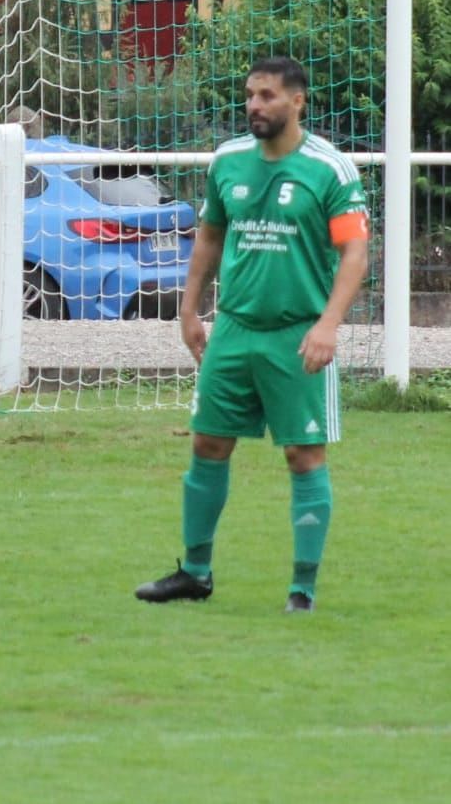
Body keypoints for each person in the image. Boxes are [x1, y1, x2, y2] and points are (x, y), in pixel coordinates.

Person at [135, 56, 369, 613]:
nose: (254, 106)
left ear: (297, 102)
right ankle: (195, 573)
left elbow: (355, 253)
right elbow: (209, 238)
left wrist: (328, 326)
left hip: (296, 335)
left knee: (303, 456)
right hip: (234, 330)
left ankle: (303, 589)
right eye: (249, 95)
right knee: (208, 444)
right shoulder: (229, 162)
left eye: (266, 95)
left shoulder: (329, 170)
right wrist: (190, 312)